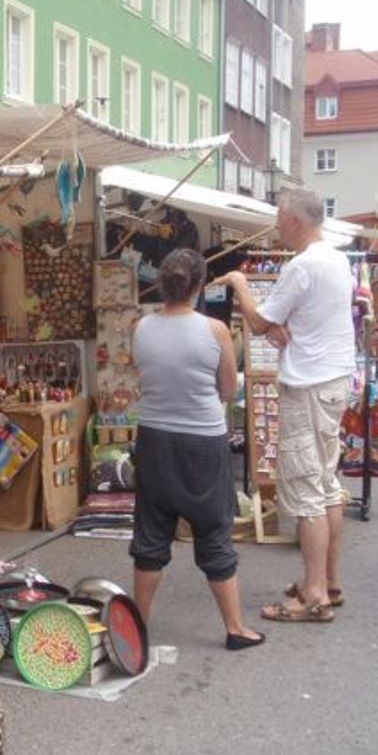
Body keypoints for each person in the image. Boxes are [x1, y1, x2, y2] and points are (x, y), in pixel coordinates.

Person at [215, 188, 355, 623]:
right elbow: (301, 318)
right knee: (327, 484)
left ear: (295, 220)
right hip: (332, 379)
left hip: (309, 385)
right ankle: (328, 582)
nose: (276, 224)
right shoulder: (335, 258)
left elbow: (258, 323)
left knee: (305, 490)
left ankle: (312, 595)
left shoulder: (303, 265)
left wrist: (238, 283)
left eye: (279, 216)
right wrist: (285, 326)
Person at [130, 248, 265, 651]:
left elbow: (143, 378)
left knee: (151, 534)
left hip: (154, 437)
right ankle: (235, 628)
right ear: (199, 285)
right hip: (202, 442)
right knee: (213, 530)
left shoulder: (140, 328)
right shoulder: (214, 331)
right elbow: (227, 390)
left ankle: (138, 626)